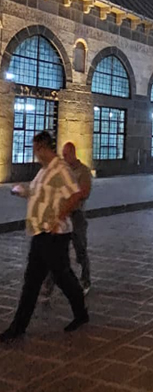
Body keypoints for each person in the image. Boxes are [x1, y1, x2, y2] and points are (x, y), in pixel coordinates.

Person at [1, 132, 89, 342]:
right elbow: (35, 191)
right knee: (31, 281)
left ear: (42, 147)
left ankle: (81, 314)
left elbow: (76, 194)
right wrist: (21, 190)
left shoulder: (60, 169)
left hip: (54, 235)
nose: (35, 154)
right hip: (40, 233)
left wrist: (58, 217)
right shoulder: (43, 172)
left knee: (63, 278)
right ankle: (18, 327)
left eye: (35, 149)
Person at [42, 142, 93, 300]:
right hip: (62, 216)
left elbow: (84, 193)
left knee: (80, 249)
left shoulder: (83, 171)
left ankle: (85, 280)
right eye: (62, 155)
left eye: (66, 154)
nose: (64, 157)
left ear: (73, 153)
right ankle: (48, 286)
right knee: (55, 251)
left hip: (76, 216)